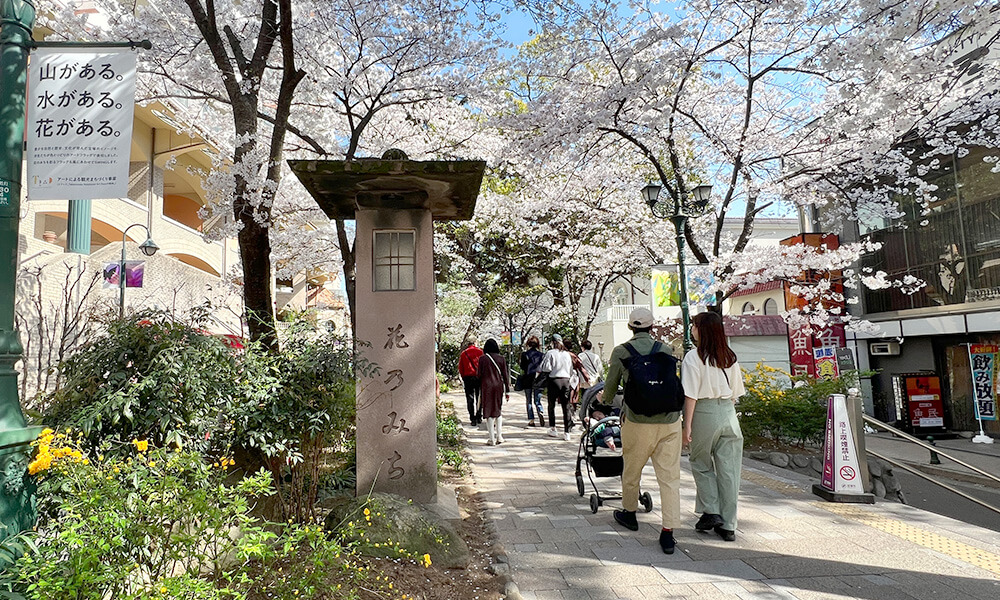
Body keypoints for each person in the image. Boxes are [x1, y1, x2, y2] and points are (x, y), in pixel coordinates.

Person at [605, 307, 683, 555]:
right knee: (669, 478)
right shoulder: (665, 349)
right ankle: (668, 532)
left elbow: (609, 389)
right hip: (670, 421)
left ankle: (630, 514)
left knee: (632, 468)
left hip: (637, 421)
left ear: (630, 327)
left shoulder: (621, 351)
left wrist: (605, 400)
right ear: (652, 327)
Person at [682, 311, 746, 543]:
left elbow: (690, 395)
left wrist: (686, 426)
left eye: (695, 325)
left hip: (704, 412)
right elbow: (736, 394)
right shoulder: (730, 356)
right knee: (729, 471)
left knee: (700, 462)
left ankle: (711, 511)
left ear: (702, 329)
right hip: (729, 413)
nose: (692, 329)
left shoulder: (694, 357)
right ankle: (729, 525)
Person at [538, 334, 575, 441]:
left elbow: (546, 368)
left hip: (554, 380)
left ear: (552, 342)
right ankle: (567, 432)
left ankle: (553, 428)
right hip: (565, 380)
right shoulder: (567, 354)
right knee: (566, 406)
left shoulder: (550, 353)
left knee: (551, 405)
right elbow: (571, 370)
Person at [477, 338, 510, 445]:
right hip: (498, 386)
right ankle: (499, 436)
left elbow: (479, 375)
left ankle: (491, 439)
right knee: (497, 410)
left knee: (488, 411)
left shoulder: (482, 359)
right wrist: (507, 391)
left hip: (486, 386)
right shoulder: (501, 358)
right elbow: (505, 375)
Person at [519, 336, 545, 426]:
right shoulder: (542, 355)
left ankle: (531, 420)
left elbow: (522, 366)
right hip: (538, 379)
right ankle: (540, 410)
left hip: (528, 378)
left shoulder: (525, 354)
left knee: (529, 400)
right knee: (537, 399)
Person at [458, 339, 484, 426]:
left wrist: (463, 377)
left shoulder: (464, 353)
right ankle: (479, 416)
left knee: (470, 398)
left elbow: (460, 367)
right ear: (475, 343)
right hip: (478, 377)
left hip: (468, 377)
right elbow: (483, 365)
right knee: (479, 397)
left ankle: (472, 418)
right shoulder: (480, 352)